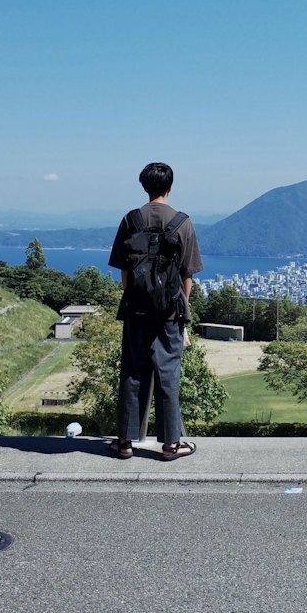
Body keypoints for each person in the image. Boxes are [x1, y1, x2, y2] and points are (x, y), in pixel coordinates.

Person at [107, 161, 202, 460]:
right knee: (168, 374)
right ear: (170, 187)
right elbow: (188, 274)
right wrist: (182, 312)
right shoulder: (182, 222)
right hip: (170, 313)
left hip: (136, 310)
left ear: (144, 186)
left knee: (133, 372)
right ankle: (171, 445)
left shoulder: (131, 220)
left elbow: (124, 272)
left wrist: (136, 296)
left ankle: (124, 441)